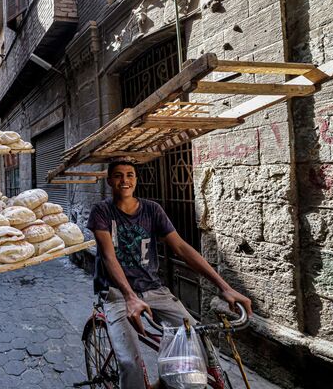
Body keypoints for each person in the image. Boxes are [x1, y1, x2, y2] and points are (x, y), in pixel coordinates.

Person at [86, 158, 253, 389]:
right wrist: (130, 296)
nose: (124, 180)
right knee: (130, 363)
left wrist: (224, 287)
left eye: (130, 174)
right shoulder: (102, 211)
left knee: (196, 344)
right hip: (116, 294)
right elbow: (108, 255)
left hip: (155, 290)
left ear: (136, 179)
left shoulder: (152, 209)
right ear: (110, 180)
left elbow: (182, 247)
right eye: (118, 175)